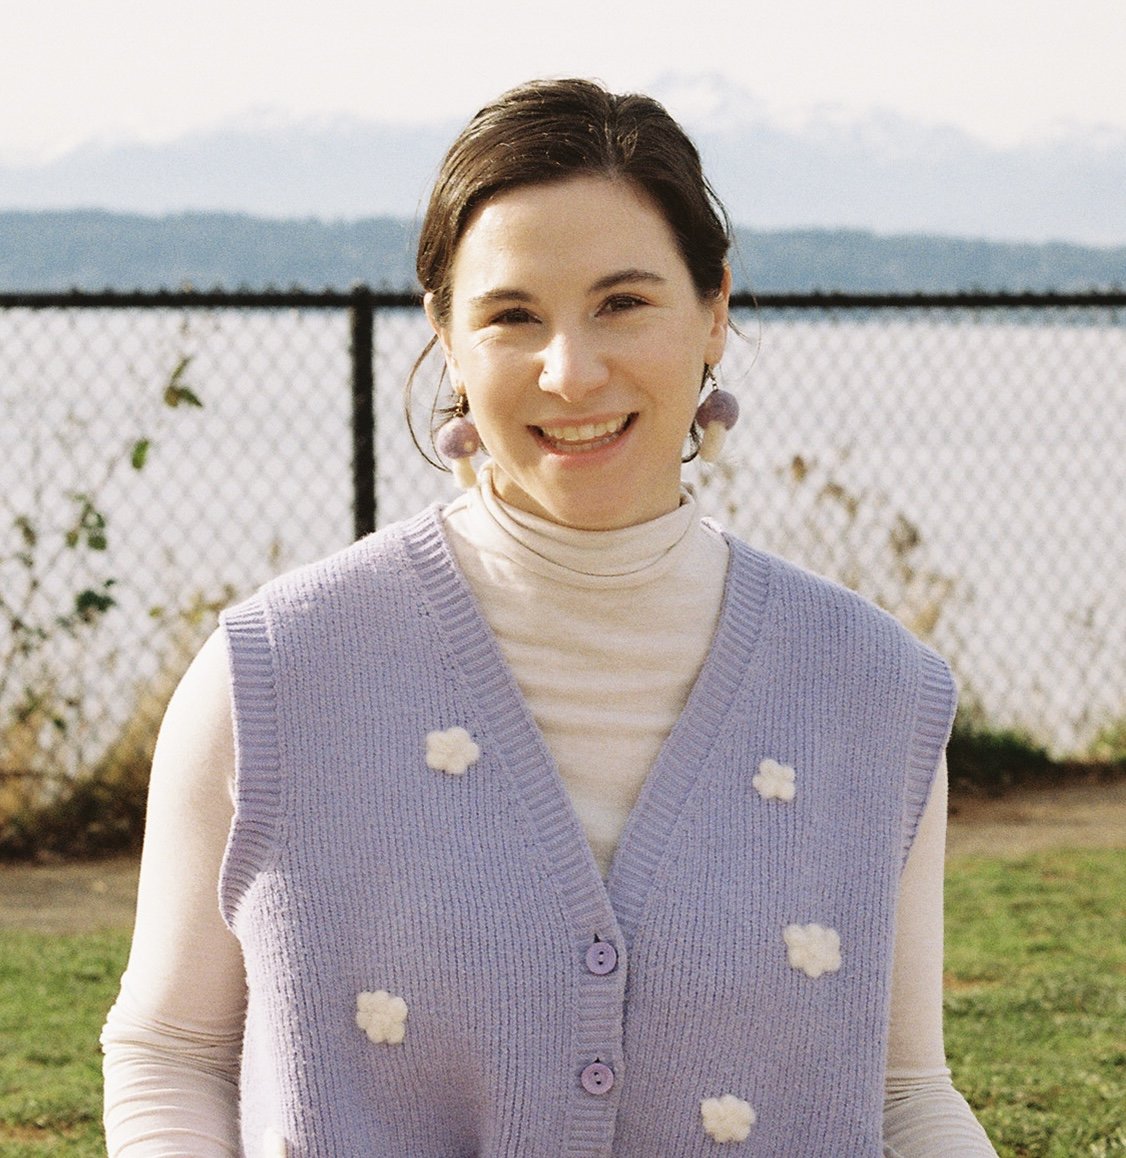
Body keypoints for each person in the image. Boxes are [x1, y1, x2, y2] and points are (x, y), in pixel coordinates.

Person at [102, 78, 997, 1156]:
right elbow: (169, 1053)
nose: (570, 373)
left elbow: (905, 1097)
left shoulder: (875, 693)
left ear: (714, 311)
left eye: (623, 304)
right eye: (512, 316)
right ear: (447, 336)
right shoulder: (275, 675)